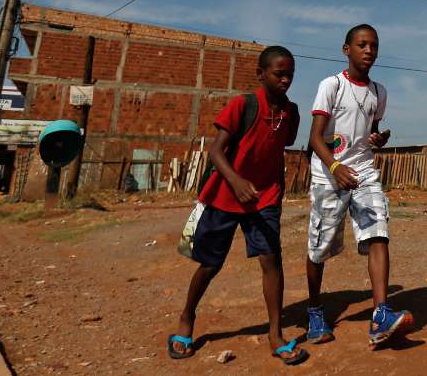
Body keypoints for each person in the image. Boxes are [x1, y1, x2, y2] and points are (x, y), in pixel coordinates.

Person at [168, 46, 307, 366]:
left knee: (271, 259)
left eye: (290, 75)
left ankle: (276, 335)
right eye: (279, 74)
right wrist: (237, 181)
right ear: (261, 74)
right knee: (211, 263)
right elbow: (216, 152)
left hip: (266, 197)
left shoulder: (291, 112)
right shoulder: (242, 105)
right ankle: (187, 316)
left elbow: (283, 143)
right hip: (226, 196)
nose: (286, 80)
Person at [304, 24, 412, 348]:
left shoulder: (379, 92)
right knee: (319, 248)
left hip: (363, 172)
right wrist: (335, 167)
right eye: (362, 45)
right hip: (328, 172)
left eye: (374, 46)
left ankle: (381, 314)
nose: (369, 51)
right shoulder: (331, 86)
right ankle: (314, 310)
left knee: (378, 232)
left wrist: (378, 138)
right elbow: (314, 138)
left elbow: (370, 132)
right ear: (346, 49)